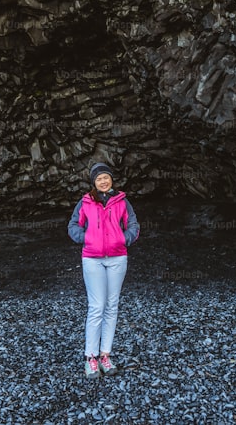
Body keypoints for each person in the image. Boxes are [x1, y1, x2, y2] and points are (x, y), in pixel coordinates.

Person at [67, 162, 140, 378]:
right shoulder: (85, 202)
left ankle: (105, 355)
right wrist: (87, 239)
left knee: (112, 305)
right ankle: (91, 357)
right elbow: (73, 226)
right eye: (99, 179)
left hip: (117, 257)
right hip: (93, 259)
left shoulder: (122, 201)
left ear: (111, 180)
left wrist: (123, 239)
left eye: (106, 177)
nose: (103, 181)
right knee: (97, 306)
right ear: (94, 182)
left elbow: (133, 226)